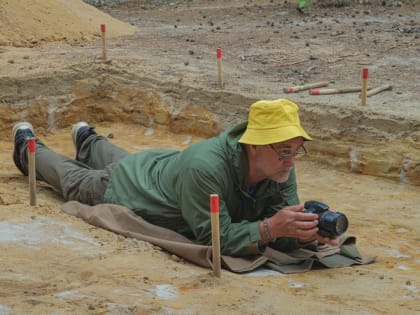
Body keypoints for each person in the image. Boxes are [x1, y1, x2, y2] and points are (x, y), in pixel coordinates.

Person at [12, 98, 339, 257]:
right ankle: (28, 149)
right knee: (75, 181)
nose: (292, 161)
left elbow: (279, 226)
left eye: (297, 151)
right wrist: (270, 228)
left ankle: (88, 140)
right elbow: (215, 237)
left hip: (161, 168)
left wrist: (302, 233)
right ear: (253, 144)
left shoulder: (280, 168)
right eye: (285, 151)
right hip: (130, 188)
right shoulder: (206, 167)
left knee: (126, 159)